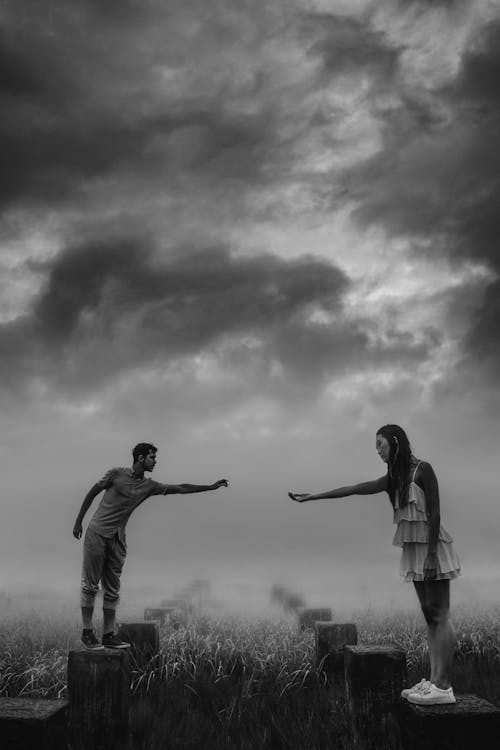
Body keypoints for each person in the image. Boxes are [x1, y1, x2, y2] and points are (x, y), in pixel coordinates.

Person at [288, 424, 460, 705]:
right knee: (430, 615)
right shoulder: (395, 478)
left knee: (440, 615)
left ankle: (444, 686)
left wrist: (431, 555)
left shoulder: (423, 470)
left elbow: (436, 512)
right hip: (414, 549)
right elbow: (356, 488)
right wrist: (313, 496)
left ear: (394, 441)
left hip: (432, 547)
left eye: (380, 445)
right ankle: (434, 680)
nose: (378, 452)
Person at [73, 442, 228, 650]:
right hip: (97, 532)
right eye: (152, 457)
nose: (155, 461)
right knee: (90, 585)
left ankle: (108, 634)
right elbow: (92, 493)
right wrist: (78, 521)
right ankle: (87, 632)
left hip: (117, 538)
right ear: (140, 458)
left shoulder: (149, 486)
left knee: (112, 589)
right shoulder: (116, 474)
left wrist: (209, 487)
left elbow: (180, 488)